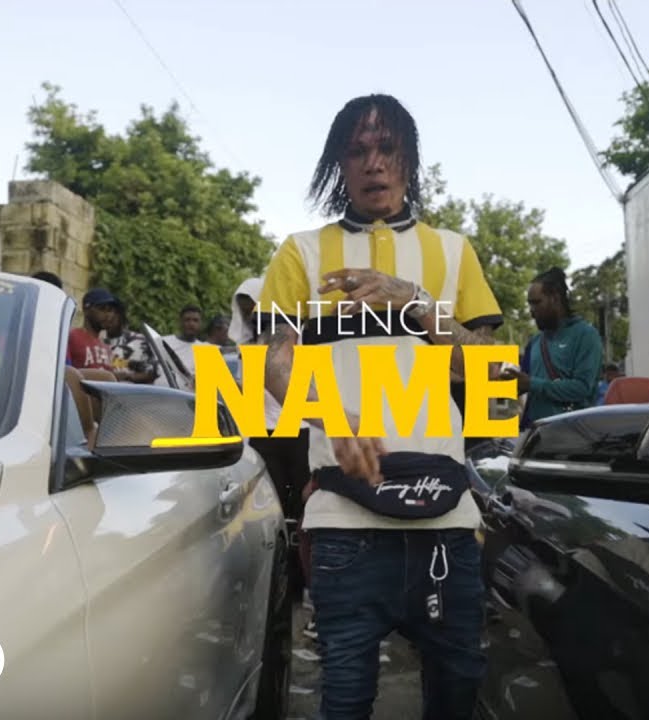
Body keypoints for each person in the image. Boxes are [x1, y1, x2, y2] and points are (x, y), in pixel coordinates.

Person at [258, 93, 503, 719]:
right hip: (344, 520)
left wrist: (415, 301)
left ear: (409, 160)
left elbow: (488, 367)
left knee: (457, 693)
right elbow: (270, 361)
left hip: (445, 520)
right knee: (344, 700)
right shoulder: (301, 252)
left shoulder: (453, 252)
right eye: (357, 150)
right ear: (339, 164)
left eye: (387, 148)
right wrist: (329, 416)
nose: (374, 163)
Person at [230, 276, 310, 595]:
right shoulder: (246, 346)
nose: (250, 314)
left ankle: (303, 582)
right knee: (269, 509)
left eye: (254, 307)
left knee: (304, 507)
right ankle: (276, 582)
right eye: (244, 309)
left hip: (301, 430)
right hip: (263, 433)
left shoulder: (298, 338)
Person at [504, 268, 603, 429]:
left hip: (574, 433)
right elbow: (524, 384)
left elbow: (582, 388)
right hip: (537, 434)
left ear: (555, 299)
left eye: (536, 303)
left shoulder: (586, 335)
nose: (531, 311)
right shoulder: (535, 342)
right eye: (530, 304)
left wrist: (532, 384)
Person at [99, 299, 159, 384]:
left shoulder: (140, 341)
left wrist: (128, 376)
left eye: (112, 316)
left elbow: (153, 373)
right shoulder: (96, 342)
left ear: (122, 317)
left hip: (131, 391)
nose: (108, 319)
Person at [157, 304, 209, 391]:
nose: (191, 324)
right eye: (187, 320)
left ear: (201, 324)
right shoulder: (163, 342)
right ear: (180, 322)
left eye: (195, 320)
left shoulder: (206, 350)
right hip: (160, 394)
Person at [68, 289, 116, 371]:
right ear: (86, 309)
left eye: (110, 310)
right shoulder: (72, 336)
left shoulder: (106, 347)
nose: (108, 315)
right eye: (102, 309)